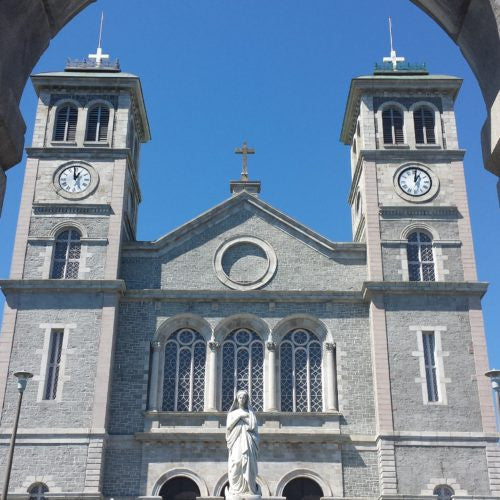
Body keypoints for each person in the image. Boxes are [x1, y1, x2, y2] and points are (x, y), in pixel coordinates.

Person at [225, 390, 260, 497]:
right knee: (236, 462)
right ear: (237, 399)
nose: (242, 399)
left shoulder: (251, 413)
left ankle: (249, 489)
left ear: (246, 399)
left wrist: (244, 418)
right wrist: (239, 417)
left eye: (244, 397)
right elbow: (229, 426)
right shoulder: (232, 413)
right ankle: (235, 490)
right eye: (240, 397)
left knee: (249, 463)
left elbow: (253, 426)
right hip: (236, 440)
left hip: (248, 440)